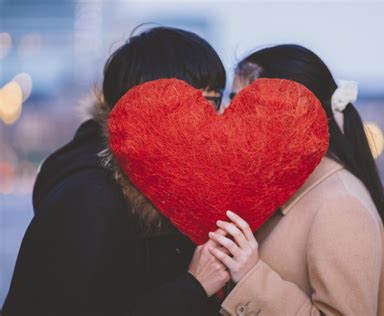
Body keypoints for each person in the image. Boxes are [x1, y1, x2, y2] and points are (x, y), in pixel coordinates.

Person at [2, 26, 228, 316]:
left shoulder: (155, 182)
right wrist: (193, 286)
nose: (218, 117)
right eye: (209, 101)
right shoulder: (90, 196)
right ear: (157, 102)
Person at [208, 44, 384, 316]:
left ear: (294, 112)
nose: (229, 117)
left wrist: (252, 277)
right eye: (231, 102)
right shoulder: (282, 189)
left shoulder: (341, 206)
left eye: (245, 103)